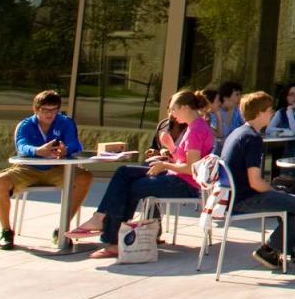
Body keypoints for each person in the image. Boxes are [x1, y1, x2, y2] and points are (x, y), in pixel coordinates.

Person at [67, 90, 213, 257]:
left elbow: (192, 168)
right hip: (179, 178)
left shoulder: (195, 130)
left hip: (186, 185)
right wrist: (171, 148)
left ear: (186, 107)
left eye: (174, 109)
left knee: (135, 187)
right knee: (124, 172)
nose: (171, 115)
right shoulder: (194, 127)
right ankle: (101, 219)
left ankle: (111, 237)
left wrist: (165, 165)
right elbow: (185, 160)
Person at [221, 91, 295, 270]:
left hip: (231, 196)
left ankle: (293, 249)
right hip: (244, 199)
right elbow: (255, 182)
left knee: (288, 198)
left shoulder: (237, 133)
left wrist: (276, 190)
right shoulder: (253, 138)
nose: (272, 114)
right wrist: (274, 190)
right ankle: (270, 249)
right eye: (270, 110)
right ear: (260, 112)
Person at [0, 90, 93, 250]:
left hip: (57, 169)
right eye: (45, 110)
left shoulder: (65, 122)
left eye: (54, 110)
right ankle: (6, 231)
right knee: (0, 182)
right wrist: (38, 150)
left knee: (85, 177)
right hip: (27, 169)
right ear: (36, 109)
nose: (50, 114)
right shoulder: (26, 125)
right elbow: (22, 146)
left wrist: (65, 150)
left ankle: (62, 229)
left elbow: (76, 145)